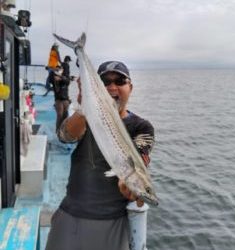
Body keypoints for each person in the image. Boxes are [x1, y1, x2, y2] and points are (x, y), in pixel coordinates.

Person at [45, 61, 155, 250]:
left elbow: (139, 161)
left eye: (120, 81)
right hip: (70, 213)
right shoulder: (85, 119)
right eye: (105, 81)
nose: (112, 86)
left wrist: (131, 188)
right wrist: (85, 107)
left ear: (130, 87)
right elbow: (65, 137)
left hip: (113, 221)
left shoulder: (141, 127)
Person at [53, 55, 72, 132]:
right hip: (59, 98)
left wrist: (64, 78)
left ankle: (63, 130)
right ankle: (58, 130)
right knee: (60, 115)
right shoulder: (55, 75)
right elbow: (55, 79)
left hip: (65, 98)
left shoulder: (65, 76)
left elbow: (67, 81)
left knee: (65, 115)